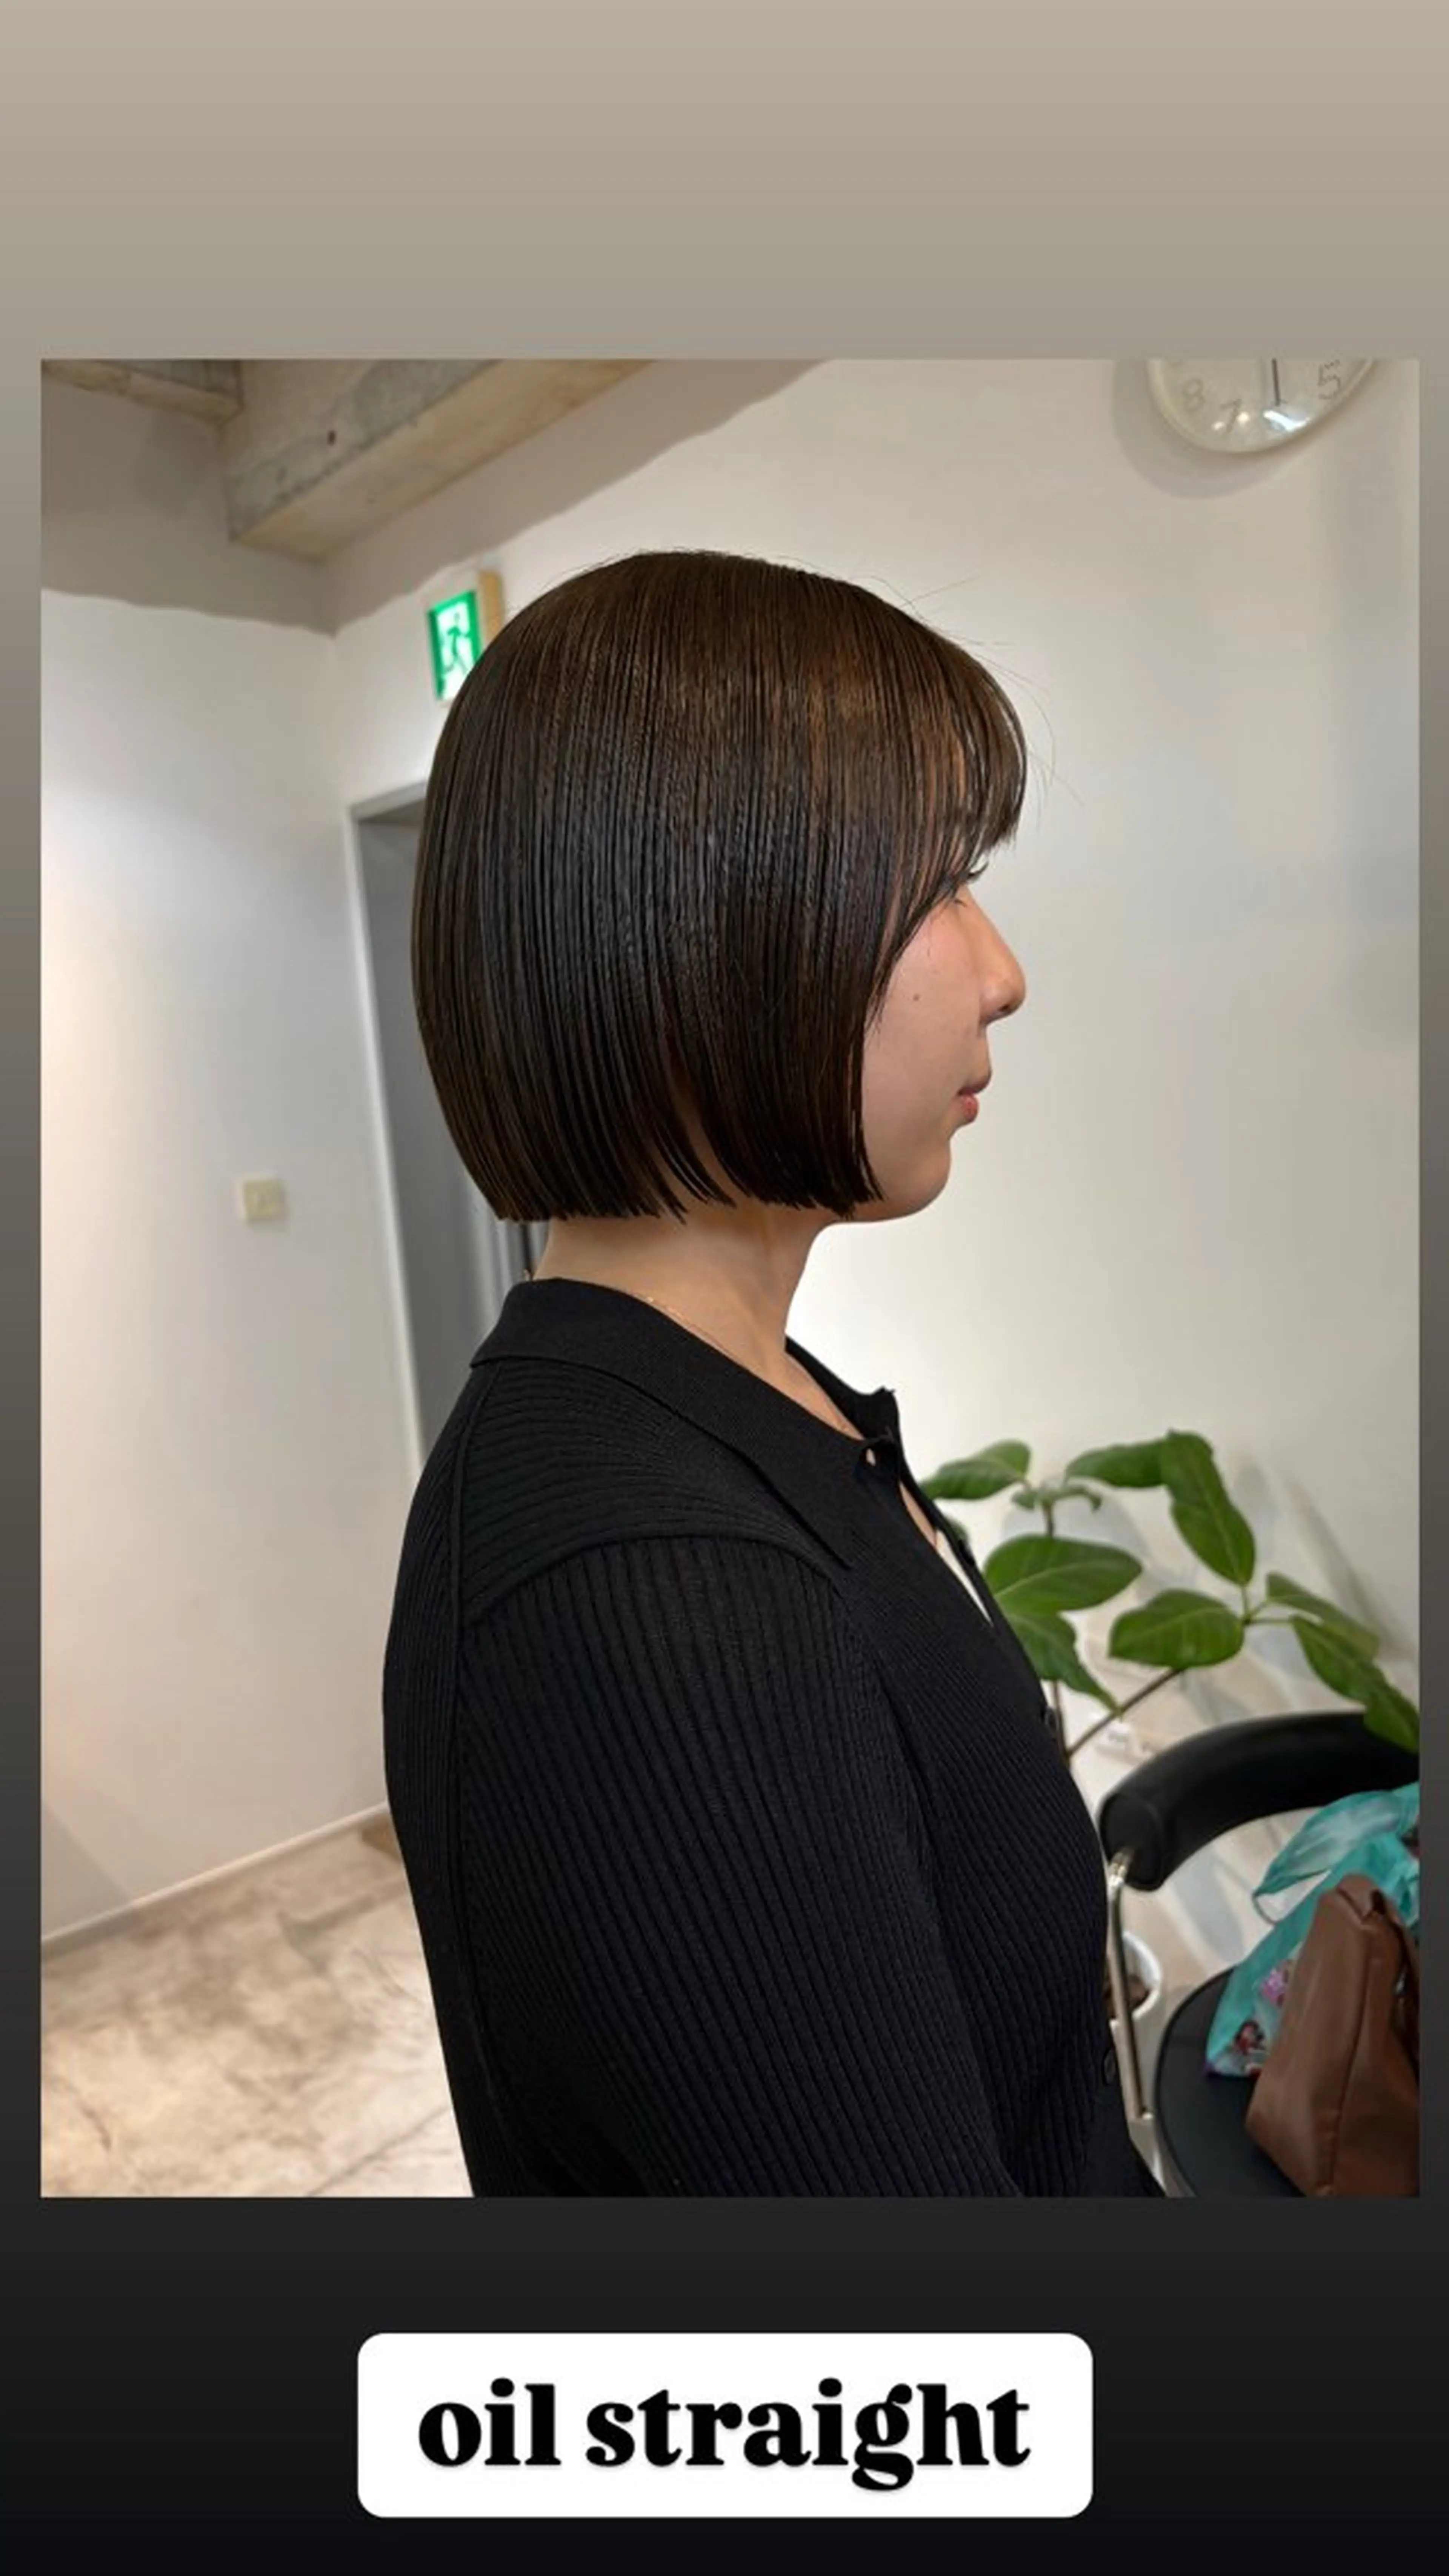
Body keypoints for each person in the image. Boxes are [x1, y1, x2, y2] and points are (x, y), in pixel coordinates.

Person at [383, 547, 1163, 2196]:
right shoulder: (661, 1590)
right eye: (941, 887)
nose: (1002, 970)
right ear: (706, 942)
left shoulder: (739, 1398)